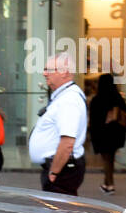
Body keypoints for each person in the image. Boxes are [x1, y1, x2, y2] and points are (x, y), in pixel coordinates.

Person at [29, 52, 88, 195]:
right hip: (62, 168)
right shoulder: (65, 96)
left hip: (62, 170)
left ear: (64, 73)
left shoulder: (69, 100)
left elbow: (67, 142)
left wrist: (54, 172)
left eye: (49, 70)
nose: (44, 73)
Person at [89, 73, 126, 195]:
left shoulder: (96, 100)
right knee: (110, 159)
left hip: (102, 134)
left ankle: (110, 184)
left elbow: (93, 119)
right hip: (116, 134)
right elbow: (125, 114)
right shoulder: (117, 98)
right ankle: (107, 183)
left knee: (106, 159)